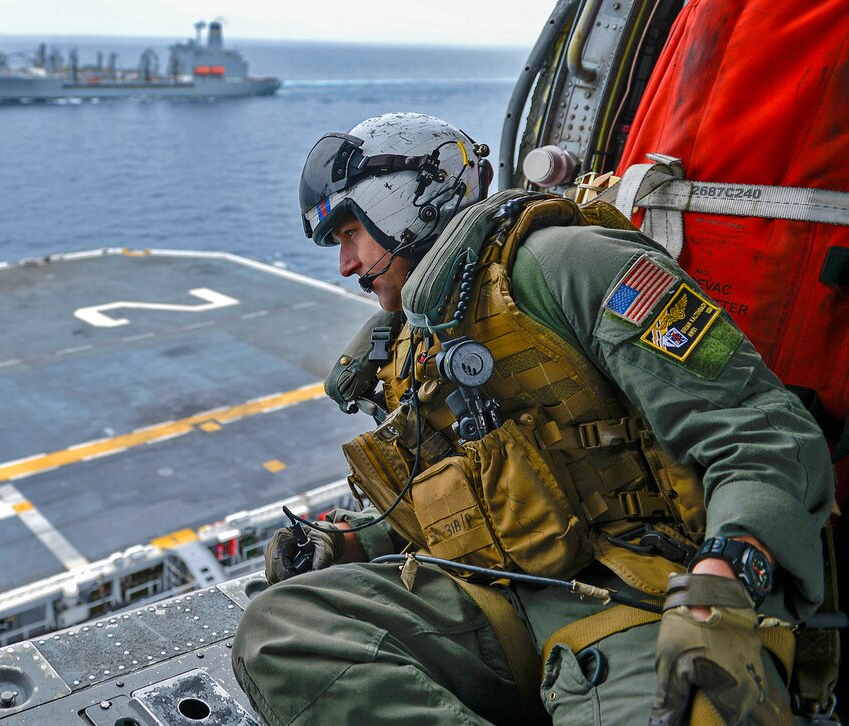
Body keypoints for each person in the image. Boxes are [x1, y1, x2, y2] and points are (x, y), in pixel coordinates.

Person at [230, 112, 835, 725]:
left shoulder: (572, 263)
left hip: (640, 595)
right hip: (499, 595)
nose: (347, 265)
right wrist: (359, 539)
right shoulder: (417, 341)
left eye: (351, 233)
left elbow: (762, 428)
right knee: (282, 629)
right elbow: (477, 492)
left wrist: (723, 582)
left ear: (406, 203)